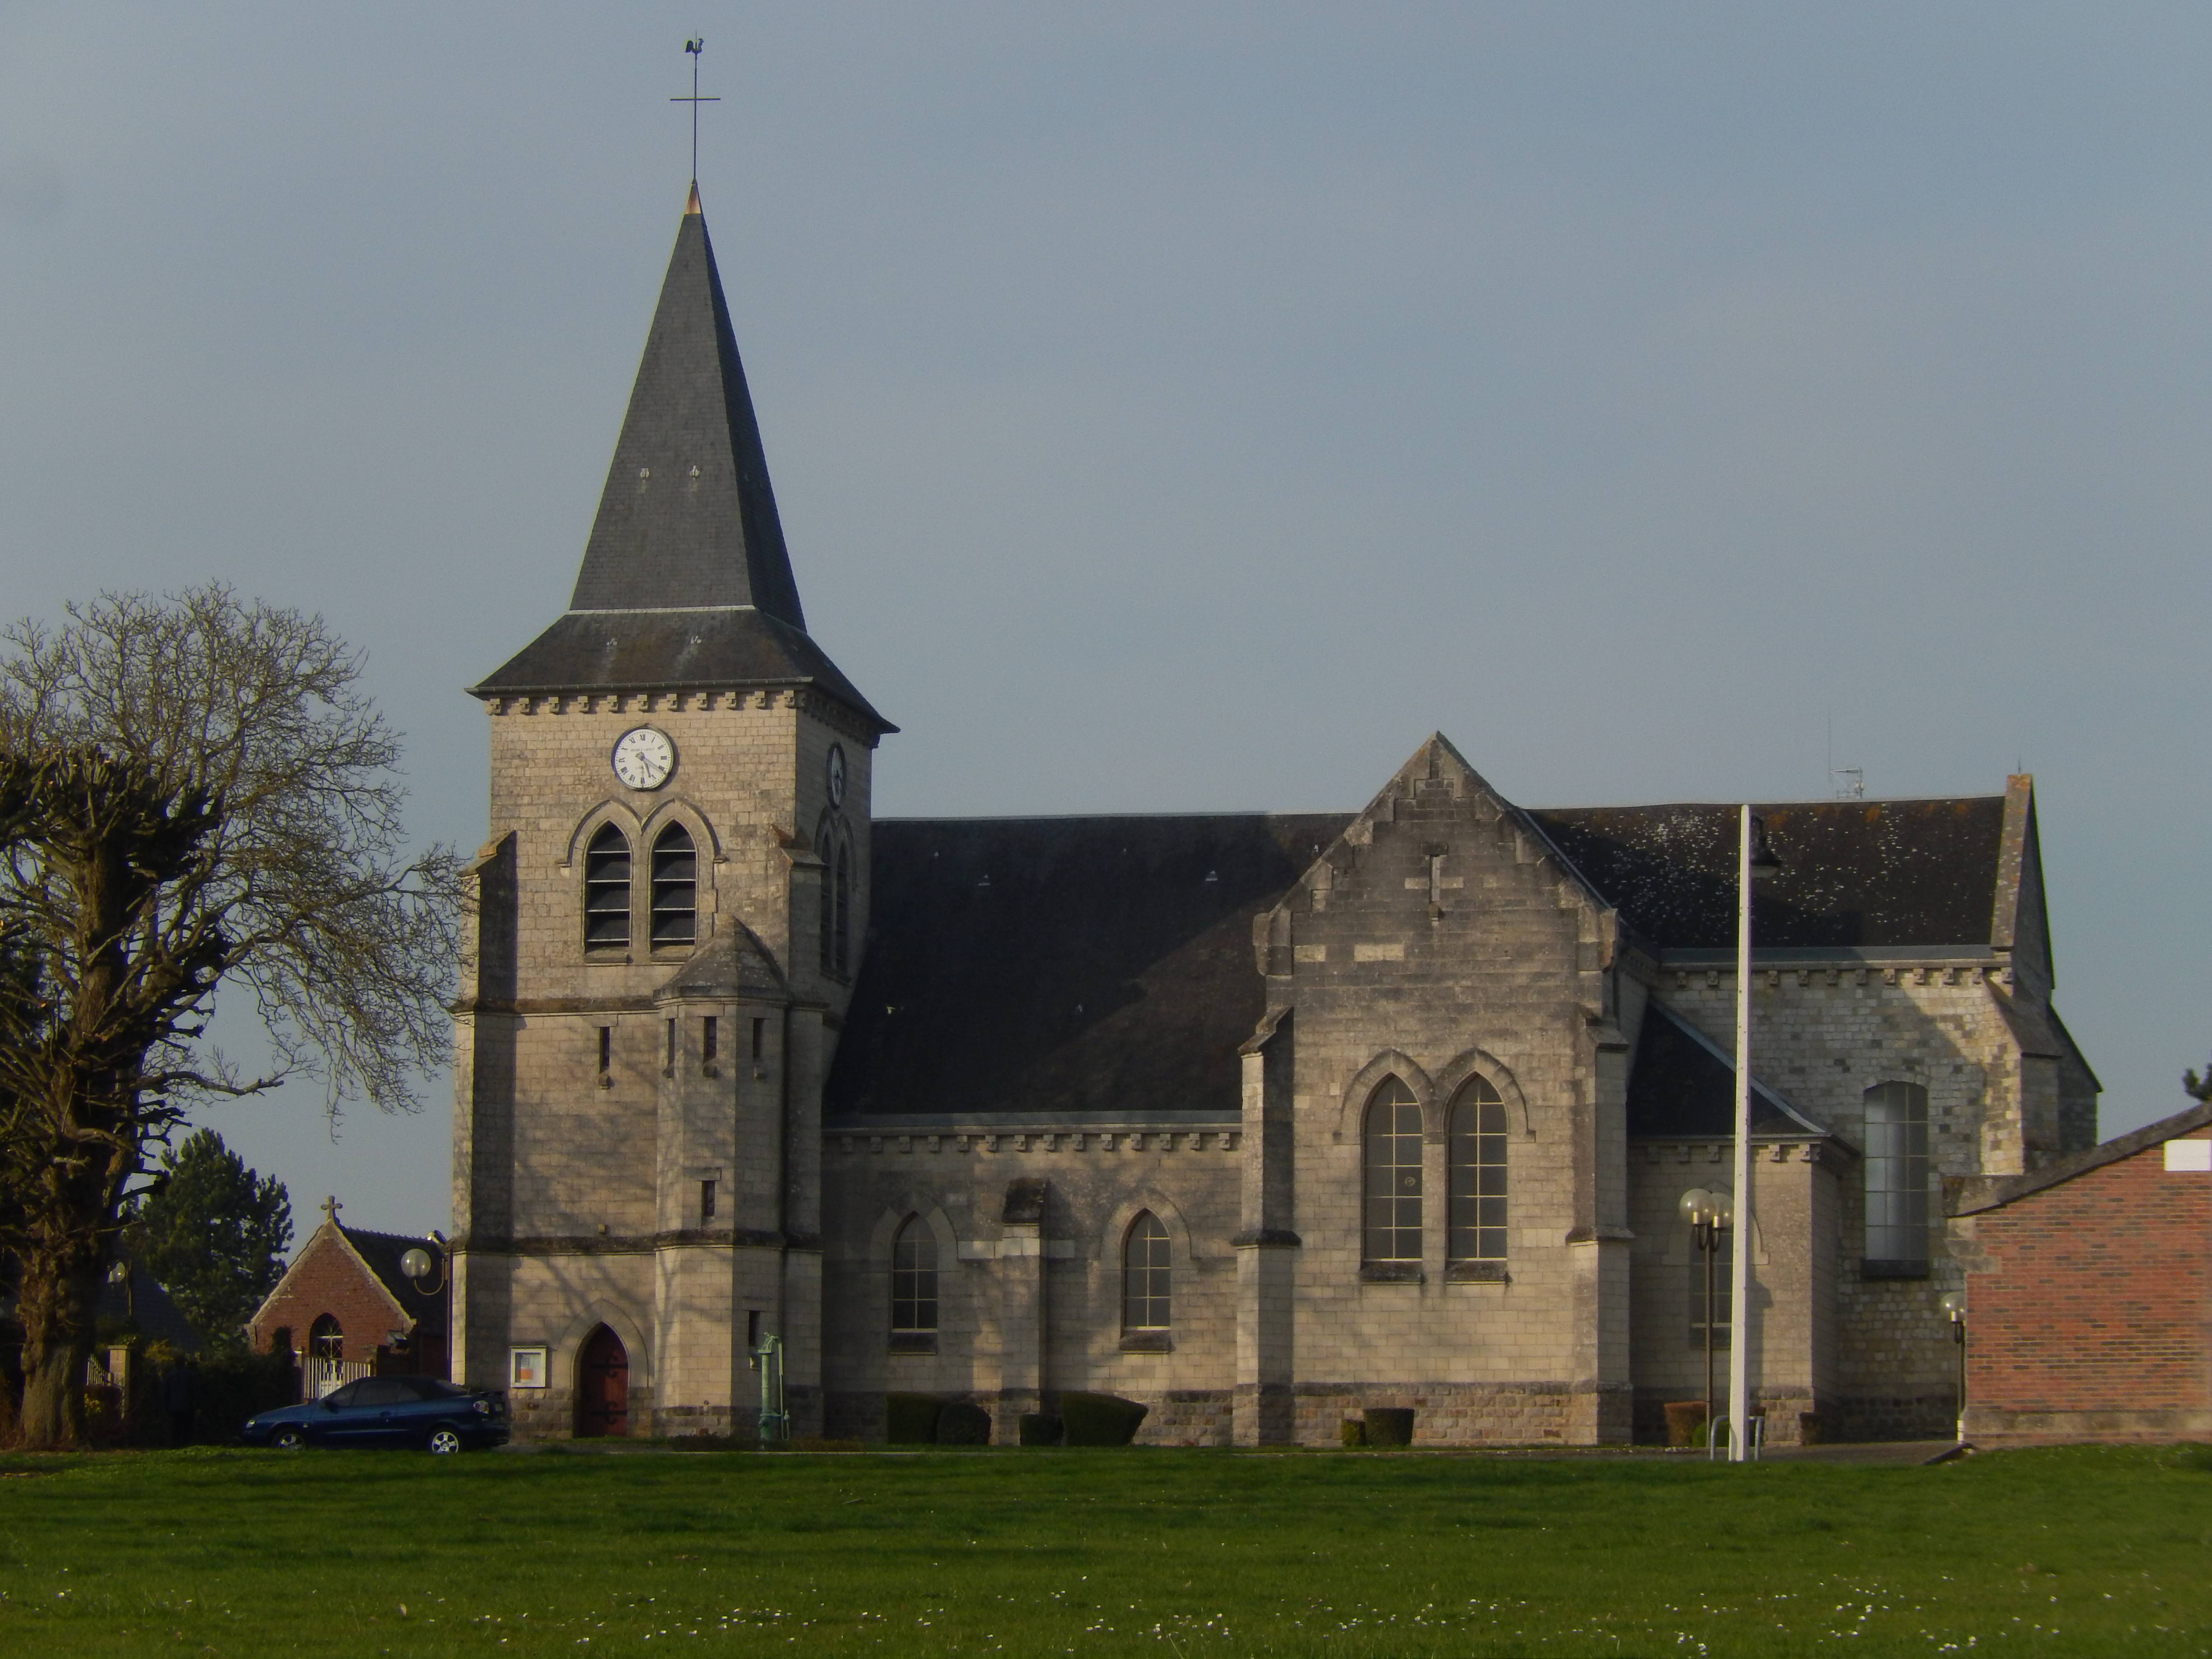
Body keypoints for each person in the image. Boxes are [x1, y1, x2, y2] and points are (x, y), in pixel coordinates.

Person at [162, 1358, 197, 1447]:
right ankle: (186, 1443)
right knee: (187, 1426)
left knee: (175, 1427)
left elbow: (166, 1392)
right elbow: (194, 1391)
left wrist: (166, 1406)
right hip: (187, 1406)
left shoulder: (170, 1376)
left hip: (173, 1406)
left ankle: (175, 1444)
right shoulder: (190, 1375)